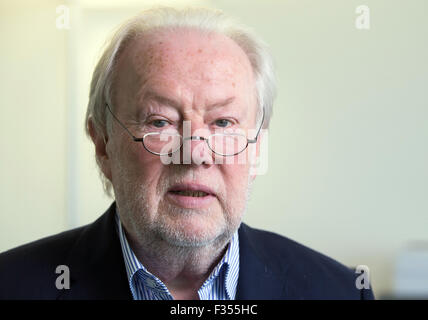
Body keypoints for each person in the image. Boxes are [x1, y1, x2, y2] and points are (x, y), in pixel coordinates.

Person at [0, 7, 374, 300]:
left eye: (224, 123)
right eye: (160, 122)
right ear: (102, 144)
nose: (195, 153)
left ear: (258, 148)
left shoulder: (339, 291)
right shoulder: (12, 286)